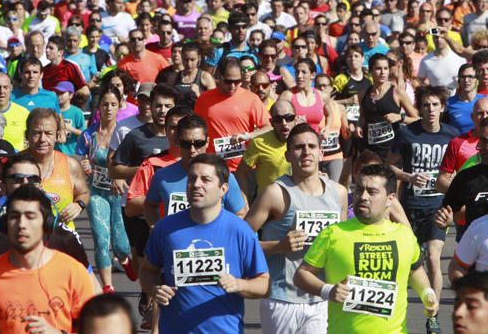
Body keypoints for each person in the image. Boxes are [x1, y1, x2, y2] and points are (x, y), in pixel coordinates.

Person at [293, 164, 439, 334]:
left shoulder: (404, 235)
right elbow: (301, 275)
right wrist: (328, 290)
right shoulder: (333, 233)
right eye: (359, 189)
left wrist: (427, 293)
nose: (363, 196)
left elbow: (415, 270)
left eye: (372, 192)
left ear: (390, 199)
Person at [140, 154, 270, 333]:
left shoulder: (240, 230)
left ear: (223, 189)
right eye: (192, 178)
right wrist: (155, 289)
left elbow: (263, 284)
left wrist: (238, 284)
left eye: (205, 179)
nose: (196, 184)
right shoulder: (165, 228)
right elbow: (147, 271)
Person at [0, 153, 94, 313]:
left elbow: (93, 296)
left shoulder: (64, 238)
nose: (26, 184)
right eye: (17, 179)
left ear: (40, 186)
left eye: (33, 179)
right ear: (2, 186)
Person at [245, 123, 347, 334]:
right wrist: (279, 246)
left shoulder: (339, 193)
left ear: (321, 153)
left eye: (311, 146)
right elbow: (241, 243)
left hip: (321, 296)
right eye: (299, 147)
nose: (306, 152)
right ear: (288, 155)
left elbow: (341, 244)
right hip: (282, 298)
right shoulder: (275, 193)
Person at [0, 185, 94, 334]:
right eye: (14, 216)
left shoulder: (73, 272)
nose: (21, 225)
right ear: (5, 224)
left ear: (46, 224)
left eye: (30, 216)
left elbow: (94, 329)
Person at [387, 85, 458, 331]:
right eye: (426, 105)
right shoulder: (407, 133)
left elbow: (458, 170)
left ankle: (433, 316)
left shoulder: (451, 135)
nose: (430, 109)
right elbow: (390, 167)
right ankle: (396, 314)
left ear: (442, 107)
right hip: (409, 208)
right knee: (406, 263)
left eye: (435, 105)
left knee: (433, 259)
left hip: (436, 207)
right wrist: (408, 177)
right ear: (420, 107)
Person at [75, 85, 133, 294]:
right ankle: (107, 286)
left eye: (113, 105)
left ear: (119, 107)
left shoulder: (126, 134)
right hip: (96, 192)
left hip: (120, 194)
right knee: (101, 239)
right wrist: (83, 164)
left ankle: (125, 259)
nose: (109, 109)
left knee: (121, 245)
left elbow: (136, 161)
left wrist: (122, 175)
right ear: (98, 107)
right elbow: (80, 158)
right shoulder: (88, 135)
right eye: (105, 104)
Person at [144, 114, 246, 224]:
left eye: (198, 143)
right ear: (178, 142)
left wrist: (220, 235)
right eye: (186, 144)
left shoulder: (224, 176)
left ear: (207, 142)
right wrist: (155, 228)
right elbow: (150, 205)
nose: (192, 150)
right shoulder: (162, 177)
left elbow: (240, 213)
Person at [194, 57, 270, 172]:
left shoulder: (251, 98)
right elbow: (196, 129)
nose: (233, 86)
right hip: (213, 168)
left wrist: (248, 136)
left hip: (243, 170)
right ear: (219, 76)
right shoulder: (204, 99)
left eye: (237, 81)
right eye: (228, 81)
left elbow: (269, 127)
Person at [24, 108, 90, 230]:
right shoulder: (15, 164)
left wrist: (79, 205)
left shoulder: (70, 165)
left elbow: (84, 193)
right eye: (36, 133)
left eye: (48, 133)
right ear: (27, 135)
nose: (42, 139)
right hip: (24, 238)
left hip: (62, 240)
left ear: (57, 136)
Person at [358, 54, 418, 161]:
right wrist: (358, 126)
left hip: (393, 152)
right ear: (370, 71)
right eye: (378, 68)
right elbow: (362, 116)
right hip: (370, 151)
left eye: (385, 68)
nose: (383, 72)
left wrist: (400, 117)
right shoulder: (363, 94)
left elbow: (417, 119)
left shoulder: (397, 92)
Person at [436, 96, 488, 192]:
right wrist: (465, 193)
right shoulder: (457, 143)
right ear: (472, 117)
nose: (485, 117)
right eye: (480, 113)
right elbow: (440, 182)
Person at [237, 99, 297, 197]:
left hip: (297, 206)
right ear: (271, 122)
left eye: (289, 118)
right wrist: (244, 204)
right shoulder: (258, 143)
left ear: (296, 119)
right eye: (278, 119)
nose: (284, 123)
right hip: (269, 207)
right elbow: (241, 173)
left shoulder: (305, 141)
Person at [445, 63, 488, 135]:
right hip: (457, 144)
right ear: (459, 80)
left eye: (470, 77)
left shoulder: (486, 101)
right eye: (463, 77)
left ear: (477, 81)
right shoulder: (449, 103)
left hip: (481, 144)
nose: (466, 80)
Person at [54, 81, 85, 156]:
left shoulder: (77, 112)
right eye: (57, 93)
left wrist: (70, 128)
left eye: (62, 93)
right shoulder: (52, 111)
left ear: (71, 95)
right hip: (54, 153)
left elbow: (84, 134)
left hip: (71, 153)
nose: (59, 95)